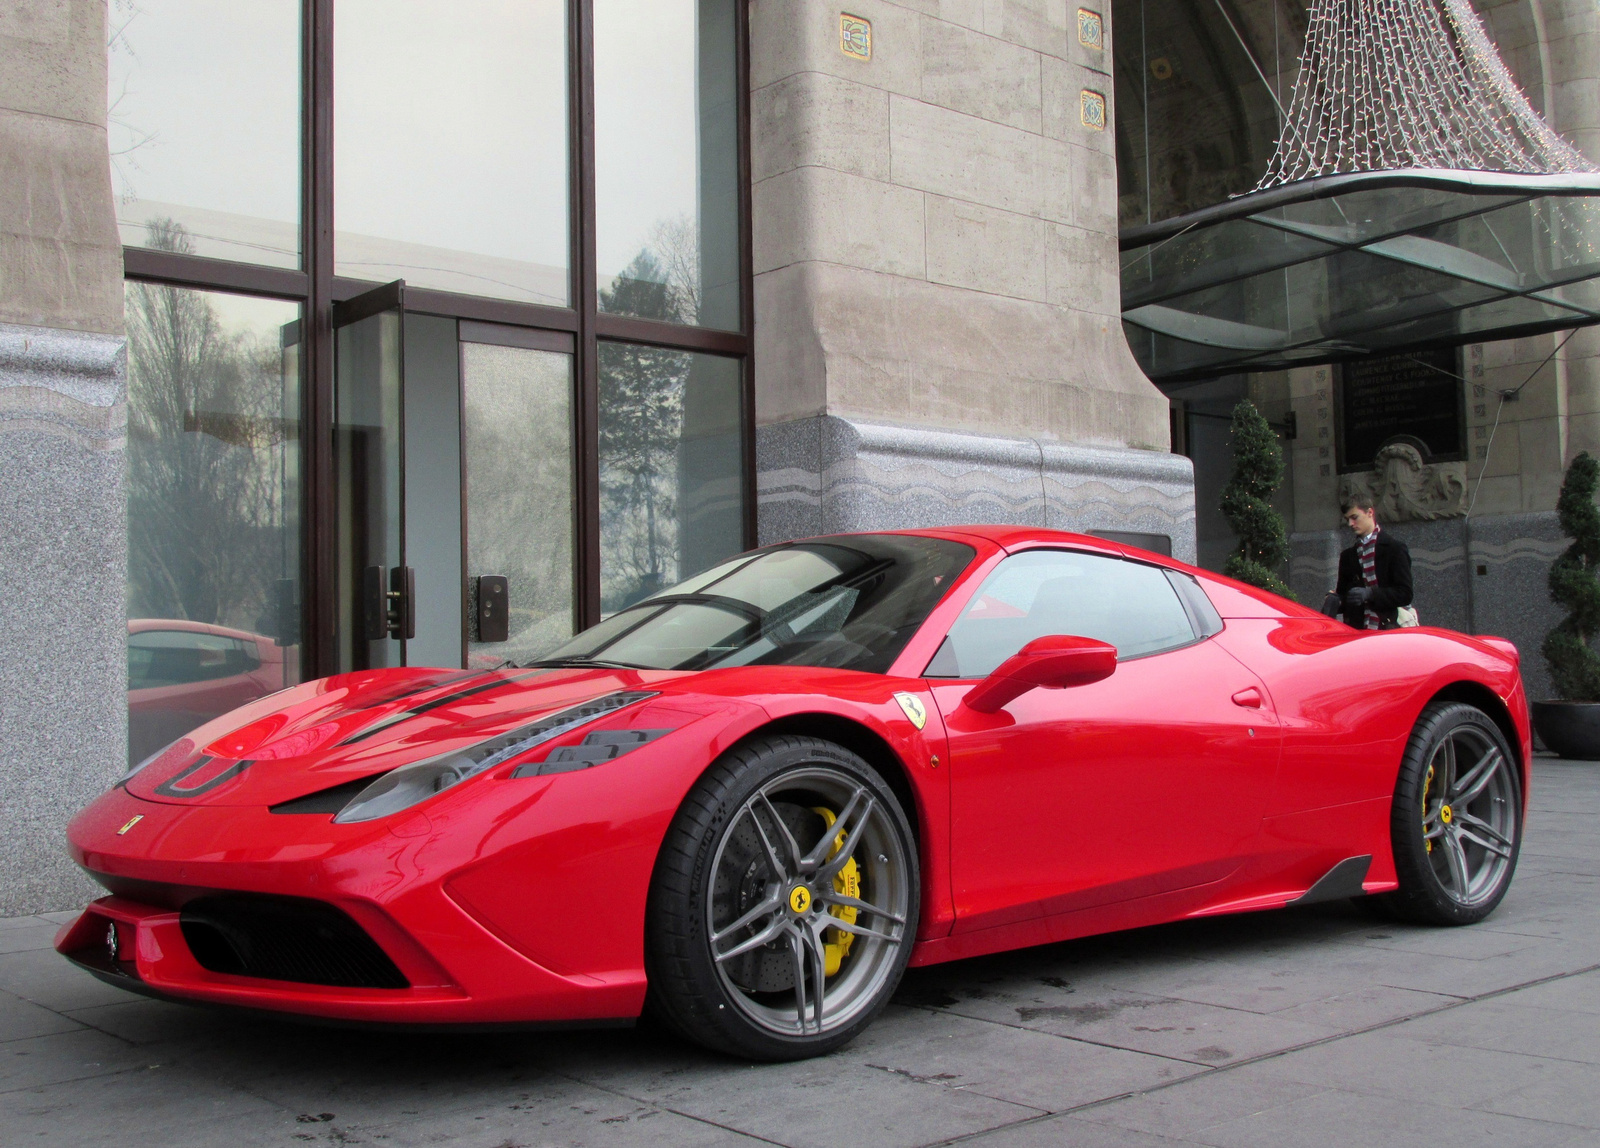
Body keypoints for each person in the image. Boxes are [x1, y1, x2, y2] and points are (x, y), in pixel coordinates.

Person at [1329, 498, 1413, 630]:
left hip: (1385, 627)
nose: (1350, 523)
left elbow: (1405, 594)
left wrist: (1371, 594)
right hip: (1355, 629)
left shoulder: (1394, 549)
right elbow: (1345, 596)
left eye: (1354, 517)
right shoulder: (1347, 556)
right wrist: (1335, 600)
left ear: (1370, 512)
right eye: (1347, 519)